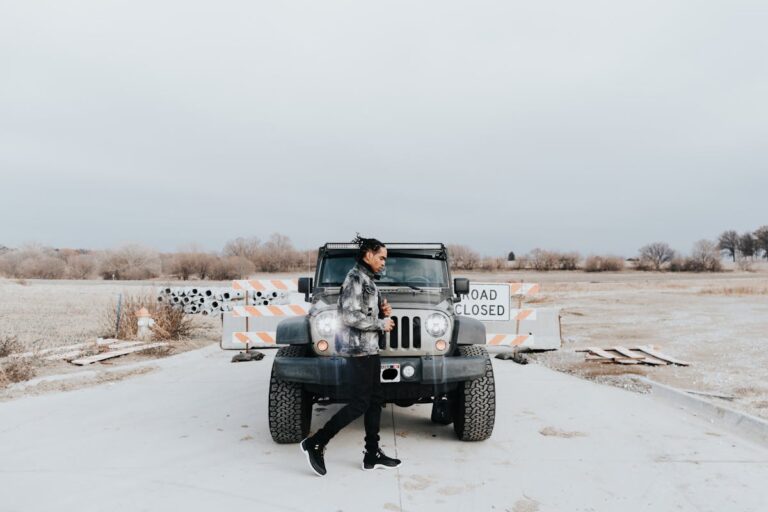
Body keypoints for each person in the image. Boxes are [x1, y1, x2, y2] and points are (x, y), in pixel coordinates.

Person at [300, 236, 402, 476]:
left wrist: (381, 309)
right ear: (368, 254)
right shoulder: (355, 279)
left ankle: (372, 454)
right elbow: (349, 317)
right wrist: (381, 323)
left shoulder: (367, 280)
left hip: (369, 348)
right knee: (361, 402)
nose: (384, 262)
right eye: (381, 257)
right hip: (358, 350)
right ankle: (316, 442)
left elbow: (361, 310)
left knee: (376, 399)